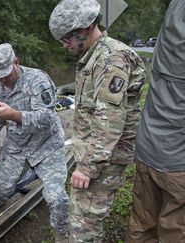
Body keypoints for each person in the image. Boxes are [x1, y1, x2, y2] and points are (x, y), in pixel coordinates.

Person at [49, 0, 146, 242]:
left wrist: (87, 167)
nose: (64, 45)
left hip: (103, 160)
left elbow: (110, 118)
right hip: (96, 154)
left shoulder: (111, 58)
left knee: (85, 227)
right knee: (81, 217)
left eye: (67, 38)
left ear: (85, 28)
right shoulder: (93, 57)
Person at [0, 43, 69, 242]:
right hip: (17, 148)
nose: (3, 80)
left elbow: (47, 119)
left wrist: (14, 115)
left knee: (57, 198)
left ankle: (62, 236)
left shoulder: (37, 80)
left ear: (17, 62)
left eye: (6, 73)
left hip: (46, 147)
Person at [125, 1, 185, 242]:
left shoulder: (171, 26)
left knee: (141, 222)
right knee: (175, 230)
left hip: (147, 149)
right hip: (178, 162)